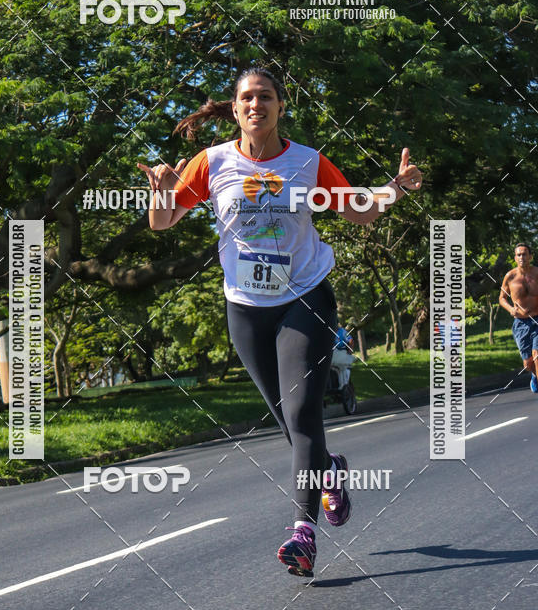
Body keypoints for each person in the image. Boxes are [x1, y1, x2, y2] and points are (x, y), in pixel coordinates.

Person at [138, 66, 422, 576]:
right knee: (287, 421)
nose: (256, 105)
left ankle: (303, 535)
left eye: (265, 97)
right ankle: (330, 470)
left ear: (280, 106)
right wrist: (162, 191)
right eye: (247, 98)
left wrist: (395, 189)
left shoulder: (307, 162)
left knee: (303, 417)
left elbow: (358, 212)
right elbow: (163, 222)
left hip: (305, 298)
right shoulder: (212, 162)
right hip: (246, 308)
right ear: (236, 107)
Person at [499, 243, 538, 393]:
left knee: (536, 356)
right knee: (528, 363)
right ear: (515, 258)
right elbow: (502, 298)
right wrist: (510, 309)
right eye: (519, 254)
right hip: (521, 323)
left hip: (537, 319)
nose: (522, 257)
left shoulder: (537, 273)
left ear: (530, 256)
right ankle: (534, 375)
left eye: (525, 254)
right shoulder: (510, 276)